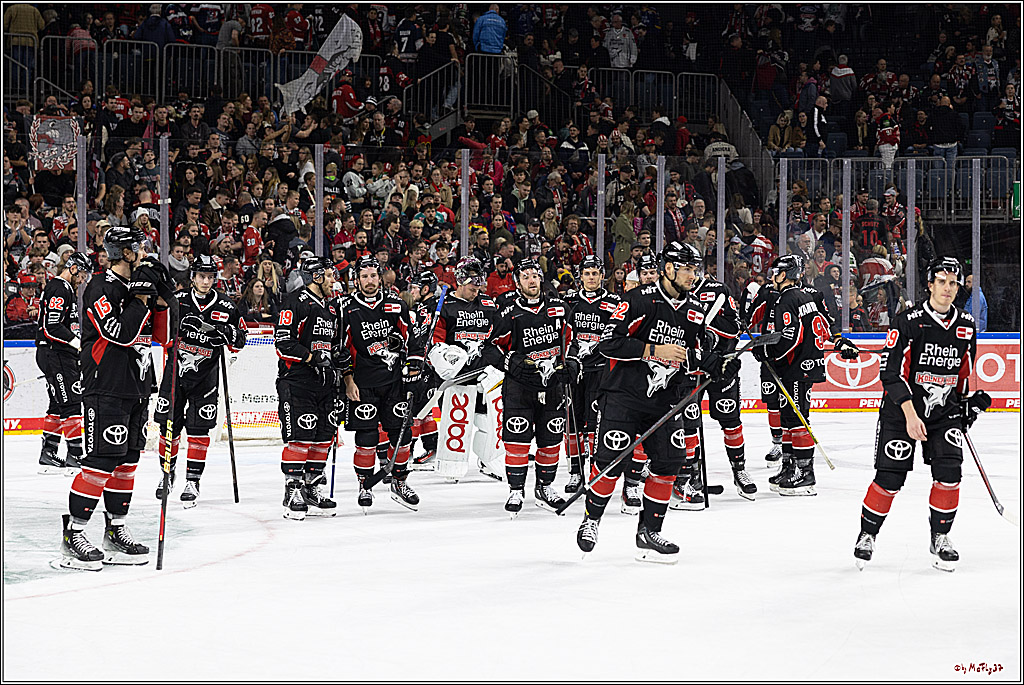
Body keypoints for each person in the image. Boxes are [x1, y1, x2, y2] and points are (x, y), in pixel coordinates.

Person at [576, 242, 737, 563]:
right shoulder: (638, 300)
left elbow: (691, 354)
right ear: (668, 269)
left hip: (664, 400)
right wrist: (652, 350)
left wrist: (715, 363)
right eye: (687, 268)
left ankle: (649, 530)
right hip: (624, 397)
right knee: (610, 460)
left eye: (695, 269)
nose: (693, 275)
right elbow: (609, 342)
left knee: (670, 460)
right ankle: (591, 520)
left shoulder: (694, 310)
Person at [854, 257, 985, 572]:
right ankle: (867, 534)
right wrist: (911, 416)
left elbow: (963, 373)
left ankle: (940, 536)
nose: (948, 288)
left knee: (950, 473)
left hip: (943, 413)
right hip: (902, 412)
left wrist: (966, 404)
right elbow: (891, 374)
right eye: (942, 281)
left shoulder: (966, 326)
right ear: (930, 284)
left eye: (953, 283)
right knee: (889, 477)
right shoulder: (908, 321)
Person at [59, 227, 171, 570]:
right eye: (137, 248)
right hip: (105, 385)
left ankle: (115, 529)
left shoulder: (139, 287)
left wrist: (163, 300)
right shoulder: (99, 287)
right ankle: (73, 533)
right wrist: (139, 301)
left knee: (128, 461)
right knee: (101, 461)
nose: (142, 252)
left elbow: (163, 337)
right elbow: (118, 333)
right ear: (124, 252)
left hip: (137, 385)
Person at [756, 254, 857, 496]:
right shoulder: (804, 297)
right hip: (802, 365)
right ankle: (790, 467)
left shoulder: (788, 299)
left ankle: (805, 473)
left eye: (776, 272)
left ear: (785, 275)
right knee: (790, 417)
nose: (772, 277)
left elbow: (791, 338)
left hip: (797, 367)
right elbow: (821, 325)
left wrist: (766, 351)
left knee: (798, 419)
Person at [152, 255, 247, 508]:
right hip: (175, 374)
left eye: (210, 277)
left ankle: (192, 480)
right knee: (167, 427)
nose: (206, 281)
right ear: (192, 277)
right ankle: (166, 473)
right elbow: (160, 332)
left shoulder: (226, 306)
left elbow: (241, 340)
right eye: (201, 276)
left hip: (205, 378)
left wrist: (226, 333)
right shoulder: (178, 302)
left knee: (199, 430)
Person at [487, 259, 577, 517]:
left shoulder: (559, 308)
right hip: (520, 388)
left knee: (551, 440)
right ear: (517, 282)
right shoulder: (509, 313)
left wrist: (571, 363)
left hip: (553, 386)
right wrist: (510, 362)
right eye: (525, 276)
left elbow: (572, 342)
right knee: (517, 439)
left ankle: (545, 488)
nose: (531, 280)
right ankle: (516, 489)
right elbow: (490, 347)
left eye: (535, 275)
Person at [340, 255, 420, 511]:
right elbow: (340, 348)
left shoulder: (396, 305)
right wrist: (348, 380)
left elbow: (413, 339)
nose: (369, 280)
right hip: (362, 385)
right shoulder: (345, 308)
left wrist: (412, 365)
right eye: (364, 276)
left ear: (380, 277)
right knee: (366, 437)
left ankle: (399, 480)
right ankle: (365, 484)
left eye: (373, 275)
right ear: (357, 279)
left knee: (402, 435)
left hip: (394, 383)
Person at [675, 258, 754, 505]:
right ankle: (692, 474)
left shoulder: (718, 291)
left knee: (730, 419)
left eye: (691, 269)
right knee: (689, 424)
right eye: (684, 269)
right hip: (689, 369)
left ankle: (739, 469)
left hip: (720, 367)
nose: (688, 273)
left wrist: (712, 334)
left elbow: (735, 326)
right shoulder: (674, 295)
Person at [274, 256, 343, 520]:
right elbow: (283, 343)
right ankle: (292, 490)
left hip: (325, 384)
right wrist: (312, 357)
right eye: (330, 275)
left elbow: (332, 344)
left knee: (324, 436)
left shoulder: (331, 308)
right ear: (317, 277)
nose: (334, 280)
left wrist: (339, 357)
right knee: (301, 437)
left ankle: (312, 487)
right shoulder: (295, 303)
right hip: (298, 382)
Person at [424, 256, 504, 480]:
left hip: (486, 375)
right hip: (458, 376)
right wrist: (443, 358)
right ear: (460, 280)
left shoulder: (488, 305)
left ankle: (489, 460)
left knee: (490, 420)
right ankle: (452, 462)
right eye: (472, 284)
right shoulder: (445, 307)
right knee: (456, 420)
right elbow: (435, 342)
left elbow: (500, 336)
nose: (476, 289)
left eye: (479, 284)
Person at [563, 256, 621, 494]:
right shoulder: (568, 300)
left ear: (602, 275)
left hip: (600, 371)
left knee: (595, 423)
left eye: (595, 273)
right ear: (581, 276)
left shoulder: (614, 301)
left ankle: (595, 472)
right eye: (587, 273)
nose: (591, 278)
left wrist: (597, 346)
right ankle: (576, 472)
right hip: (573, 371)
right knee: (572, 423)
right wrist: (575, 350)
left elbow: (617, 332)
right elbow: (561, 331)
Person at [34, 252, 91, 474]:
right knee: (71, 403)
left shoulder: (65, 289)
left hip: (56, 354)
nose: (83, 280)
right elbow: (52, 326)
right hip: (55, 354)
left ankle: (48, 453)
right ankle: (76, 456)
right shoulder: (59, 288)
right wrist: (77, 343)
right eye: (83, 274)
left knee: (58, 404)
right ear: (74, 268)